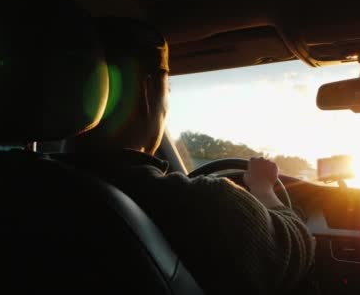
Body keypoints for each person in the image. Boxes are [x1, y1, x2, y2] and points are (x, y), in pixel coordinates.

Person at [64, 17, 316, 295]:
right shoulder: (207, 204)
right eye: (168, 90)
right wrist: (263, 186)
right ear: (148, 92)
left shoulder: (21, 189)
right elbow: (293, 249)